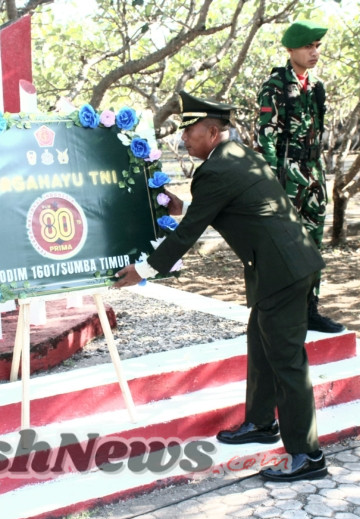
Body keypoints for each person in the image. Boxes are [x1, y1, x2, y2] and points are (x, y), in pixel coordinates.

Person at [114, 91, 327, 481]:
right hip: (283, 266)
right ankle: (262, 422)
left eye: (190, 133)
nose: (183, 141)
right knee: (260, 346)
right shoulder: (235, 157)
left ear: (213, 132)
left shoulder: (216, 170)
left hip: (282, 273)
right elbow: (216, 208)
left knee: (287, 362)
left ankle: (308, 456)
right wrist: (181, 208)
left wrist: (144, 270)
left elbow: (189, 232)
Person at [255, 20, 344, 333]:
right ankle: (280, 313)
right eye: (308, 46)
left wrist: (318, 177)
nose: (314, 52)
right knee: (283, 246)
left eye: (317, 46)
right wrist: (269, 185)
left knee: (312, 245)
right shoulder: (275, 87)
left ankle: (309, 310)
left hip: (314, 176)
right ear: (291, 49)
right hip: (285, 177)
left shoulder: (316, 87)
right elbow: (266, 137)